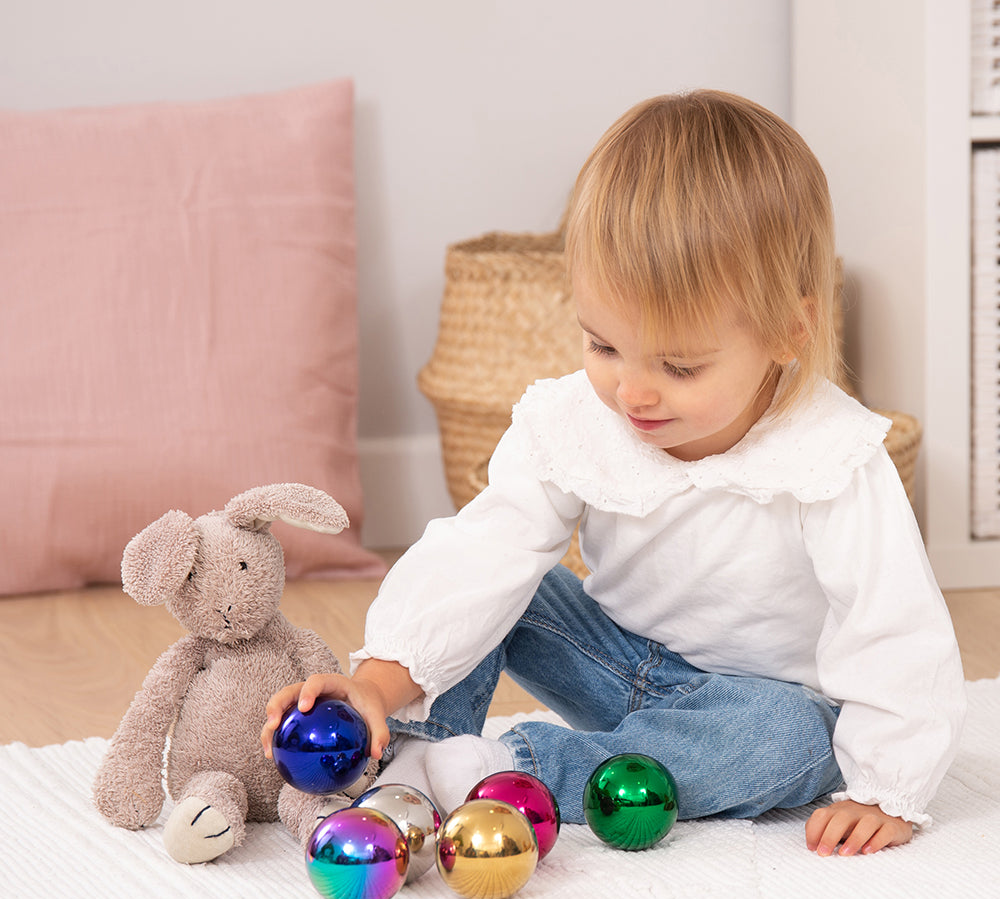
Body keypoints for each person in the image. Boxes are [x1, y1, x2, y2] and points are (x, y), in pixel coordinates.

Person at [262, 90, 966, 857]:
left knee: (793, 741)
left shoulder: (833, 458)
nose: (632, 391)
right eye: (603, 346)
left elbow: (894, 627)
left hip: (757, 705)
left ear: (788, 331)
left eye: (678, 365)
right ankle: (407, 752)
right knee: (502, 582)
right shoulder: (576, 421)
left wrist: (887, 787)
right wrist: (380, 684)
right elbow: (485, 554)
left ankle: (513, 774)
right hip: (613, 659)